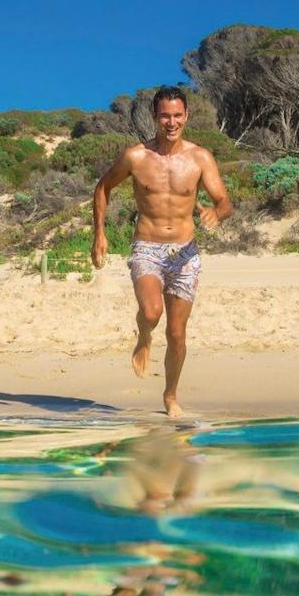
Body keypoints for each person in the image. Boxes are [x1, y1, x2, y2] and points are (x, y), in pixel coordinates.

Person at [91, 86, 234, 417]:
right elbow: (103, 187)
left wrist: (217, 212)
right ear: (154, 117)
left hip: (186, 253)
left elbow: (224, 200)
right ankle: (143, 334)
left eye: (177, 115)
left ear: (186, 116)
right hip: (148, 247)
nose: (171, 122)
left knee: (177, 333)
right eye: (165, 115)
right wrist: (98, 234)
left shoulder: (200, 158)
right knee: (153, 312)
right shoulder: (135, 157)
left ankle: (170, 395)